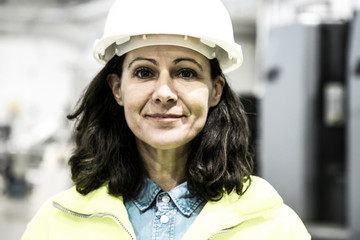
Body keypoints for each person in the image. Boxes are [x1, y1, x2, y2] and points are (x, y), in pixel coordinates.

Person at [22, 0, 311, 239]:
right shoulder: (55, 224)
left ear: (215, 91)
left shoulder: (275, 227)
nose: (163, 93)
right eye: (144, 72)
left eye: (186, 72)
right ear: (117, 88)